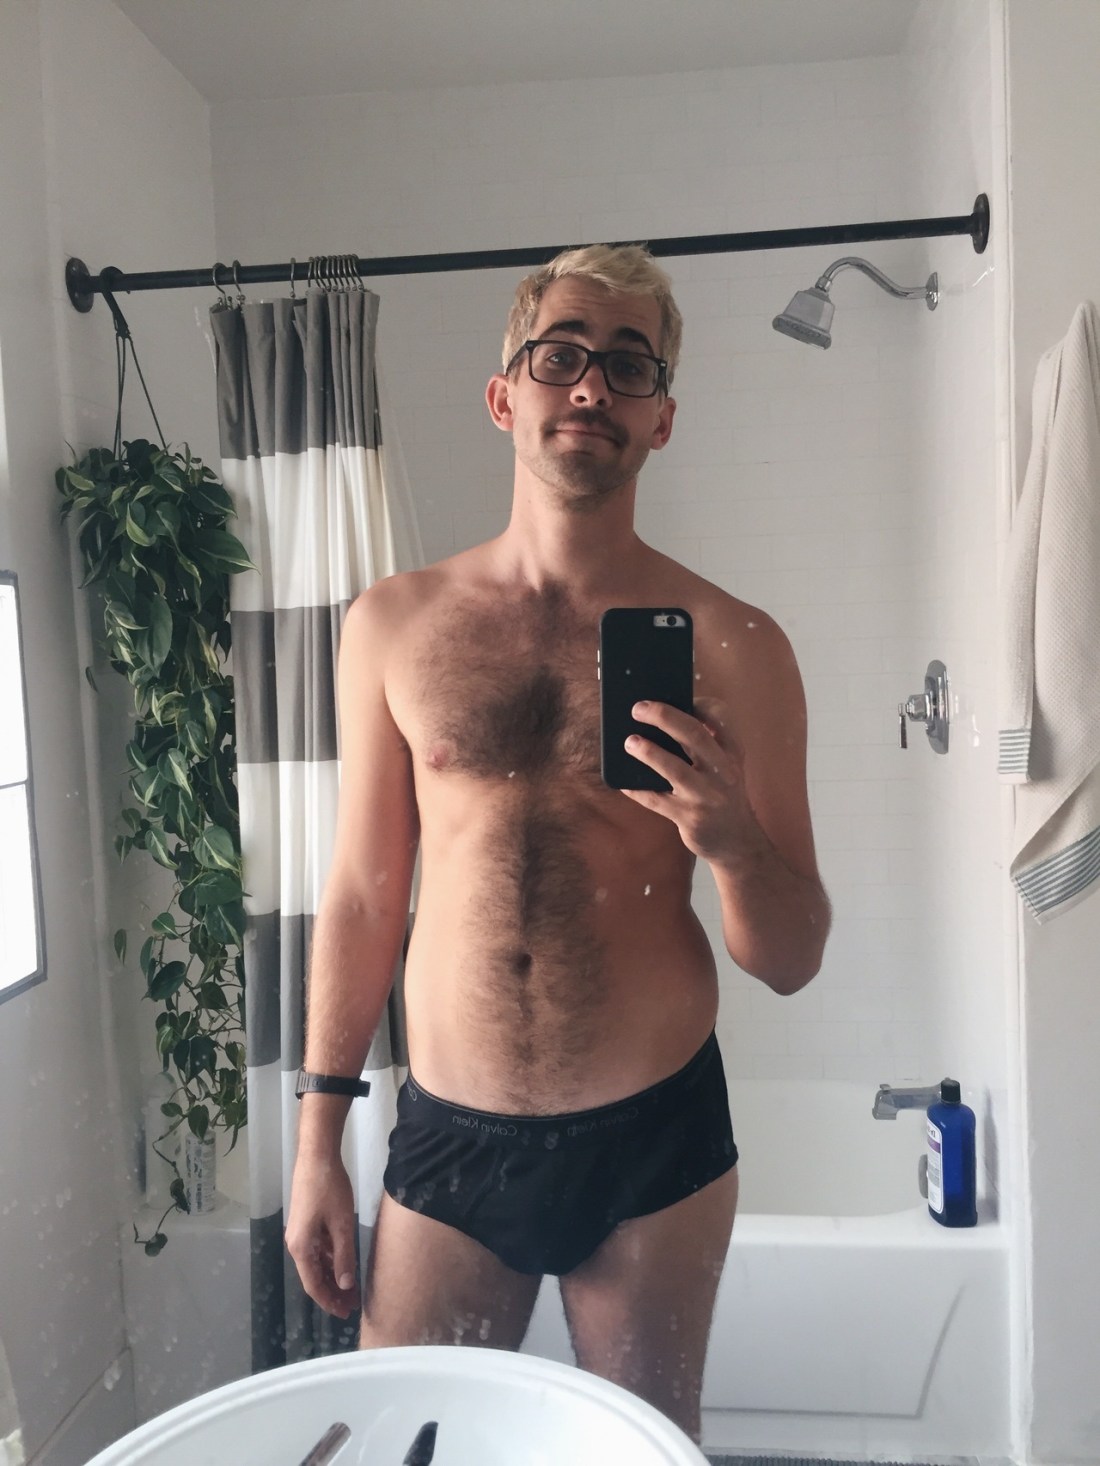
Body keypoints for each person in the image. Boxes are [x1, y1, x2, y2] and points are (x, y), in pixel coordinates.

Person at [285, 244, 830, 1443]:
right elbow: (365, 894)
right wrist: (316, 1138)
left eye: (629, 365)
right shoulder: (393, 624)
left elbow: (790, 955)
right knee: (399, 1442)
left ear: (660, 420)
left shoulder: (736, 645)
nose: (591, 385)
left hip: (651, 1143)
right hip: (451, 1133)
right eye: (561, 355)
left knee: (639, 1447)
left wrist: (730, 840)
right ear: (504, 395)